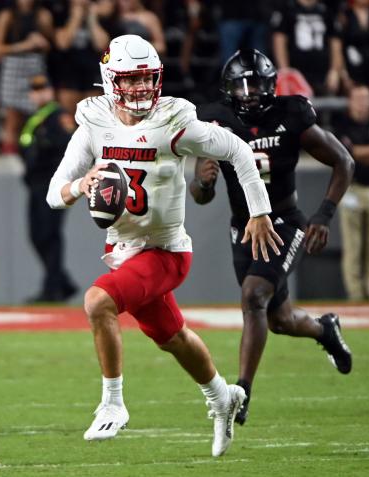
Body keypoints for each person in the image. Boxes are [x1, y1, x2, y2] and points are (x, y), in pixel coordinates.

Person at [46, 35, 282, 457]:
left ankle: (113, 402)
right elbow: (53, 192)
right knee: (172, 337)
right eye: (129, 79)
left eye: (146, 78)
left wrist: (258, 211)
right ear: (109, 79)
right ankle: (221, 396)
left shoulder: (173, 122)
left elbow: (238, 150)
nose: (139, 88)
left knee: (97, 301)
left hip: (166, 251)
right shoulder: (95, 121)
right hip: (124, 251)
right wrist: (80, 185)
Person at [190, 49, 355, 426]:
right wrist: (202, 180)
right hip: (242, 226)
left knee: (253, 296)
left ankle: (241, 392)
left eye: (255, 85)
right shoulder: (215, 120)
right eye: (240, 86)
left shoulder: (291, 114)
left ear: (271, 86)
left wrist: (324, 214)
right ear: (227, 90)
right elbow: (200, 196)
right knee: (277, 319)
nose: (248, 93)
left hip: (283, 221)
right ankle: (323, 329)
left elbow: (344, 161)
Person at [19, 75, 78, 303]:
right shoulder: (34, 118)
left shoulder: (57, 116)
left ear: (51, 90)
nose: (39, 93)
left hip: (53, 183)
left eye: (43, 88)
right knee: (37, 235)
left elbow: (69, 146)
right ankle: (61, 282)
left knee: (49, 234)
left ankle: (53, 288)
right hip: (35, 183)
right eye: (34, 89)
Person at [334, 85, 369, 301]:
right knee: (353, 245)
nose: (362, 103)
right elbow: (347, 154)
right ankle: (355, 292)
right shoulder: (342, 125)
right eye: (358, 99)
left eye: (366, 99)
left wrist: (361, 151)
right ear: (350, 101)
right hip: (351, 187)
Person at [0, 0, 54, 154]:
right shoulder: (7, 16)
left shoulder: (43, 15)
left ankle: (34, 157)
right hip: (13, 67)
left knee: (39, 118)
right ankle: (10, 158)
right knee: (12, 119)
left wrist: (43, 43)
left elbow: (51, 45)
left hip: (35, 69)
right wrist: (25, 45)